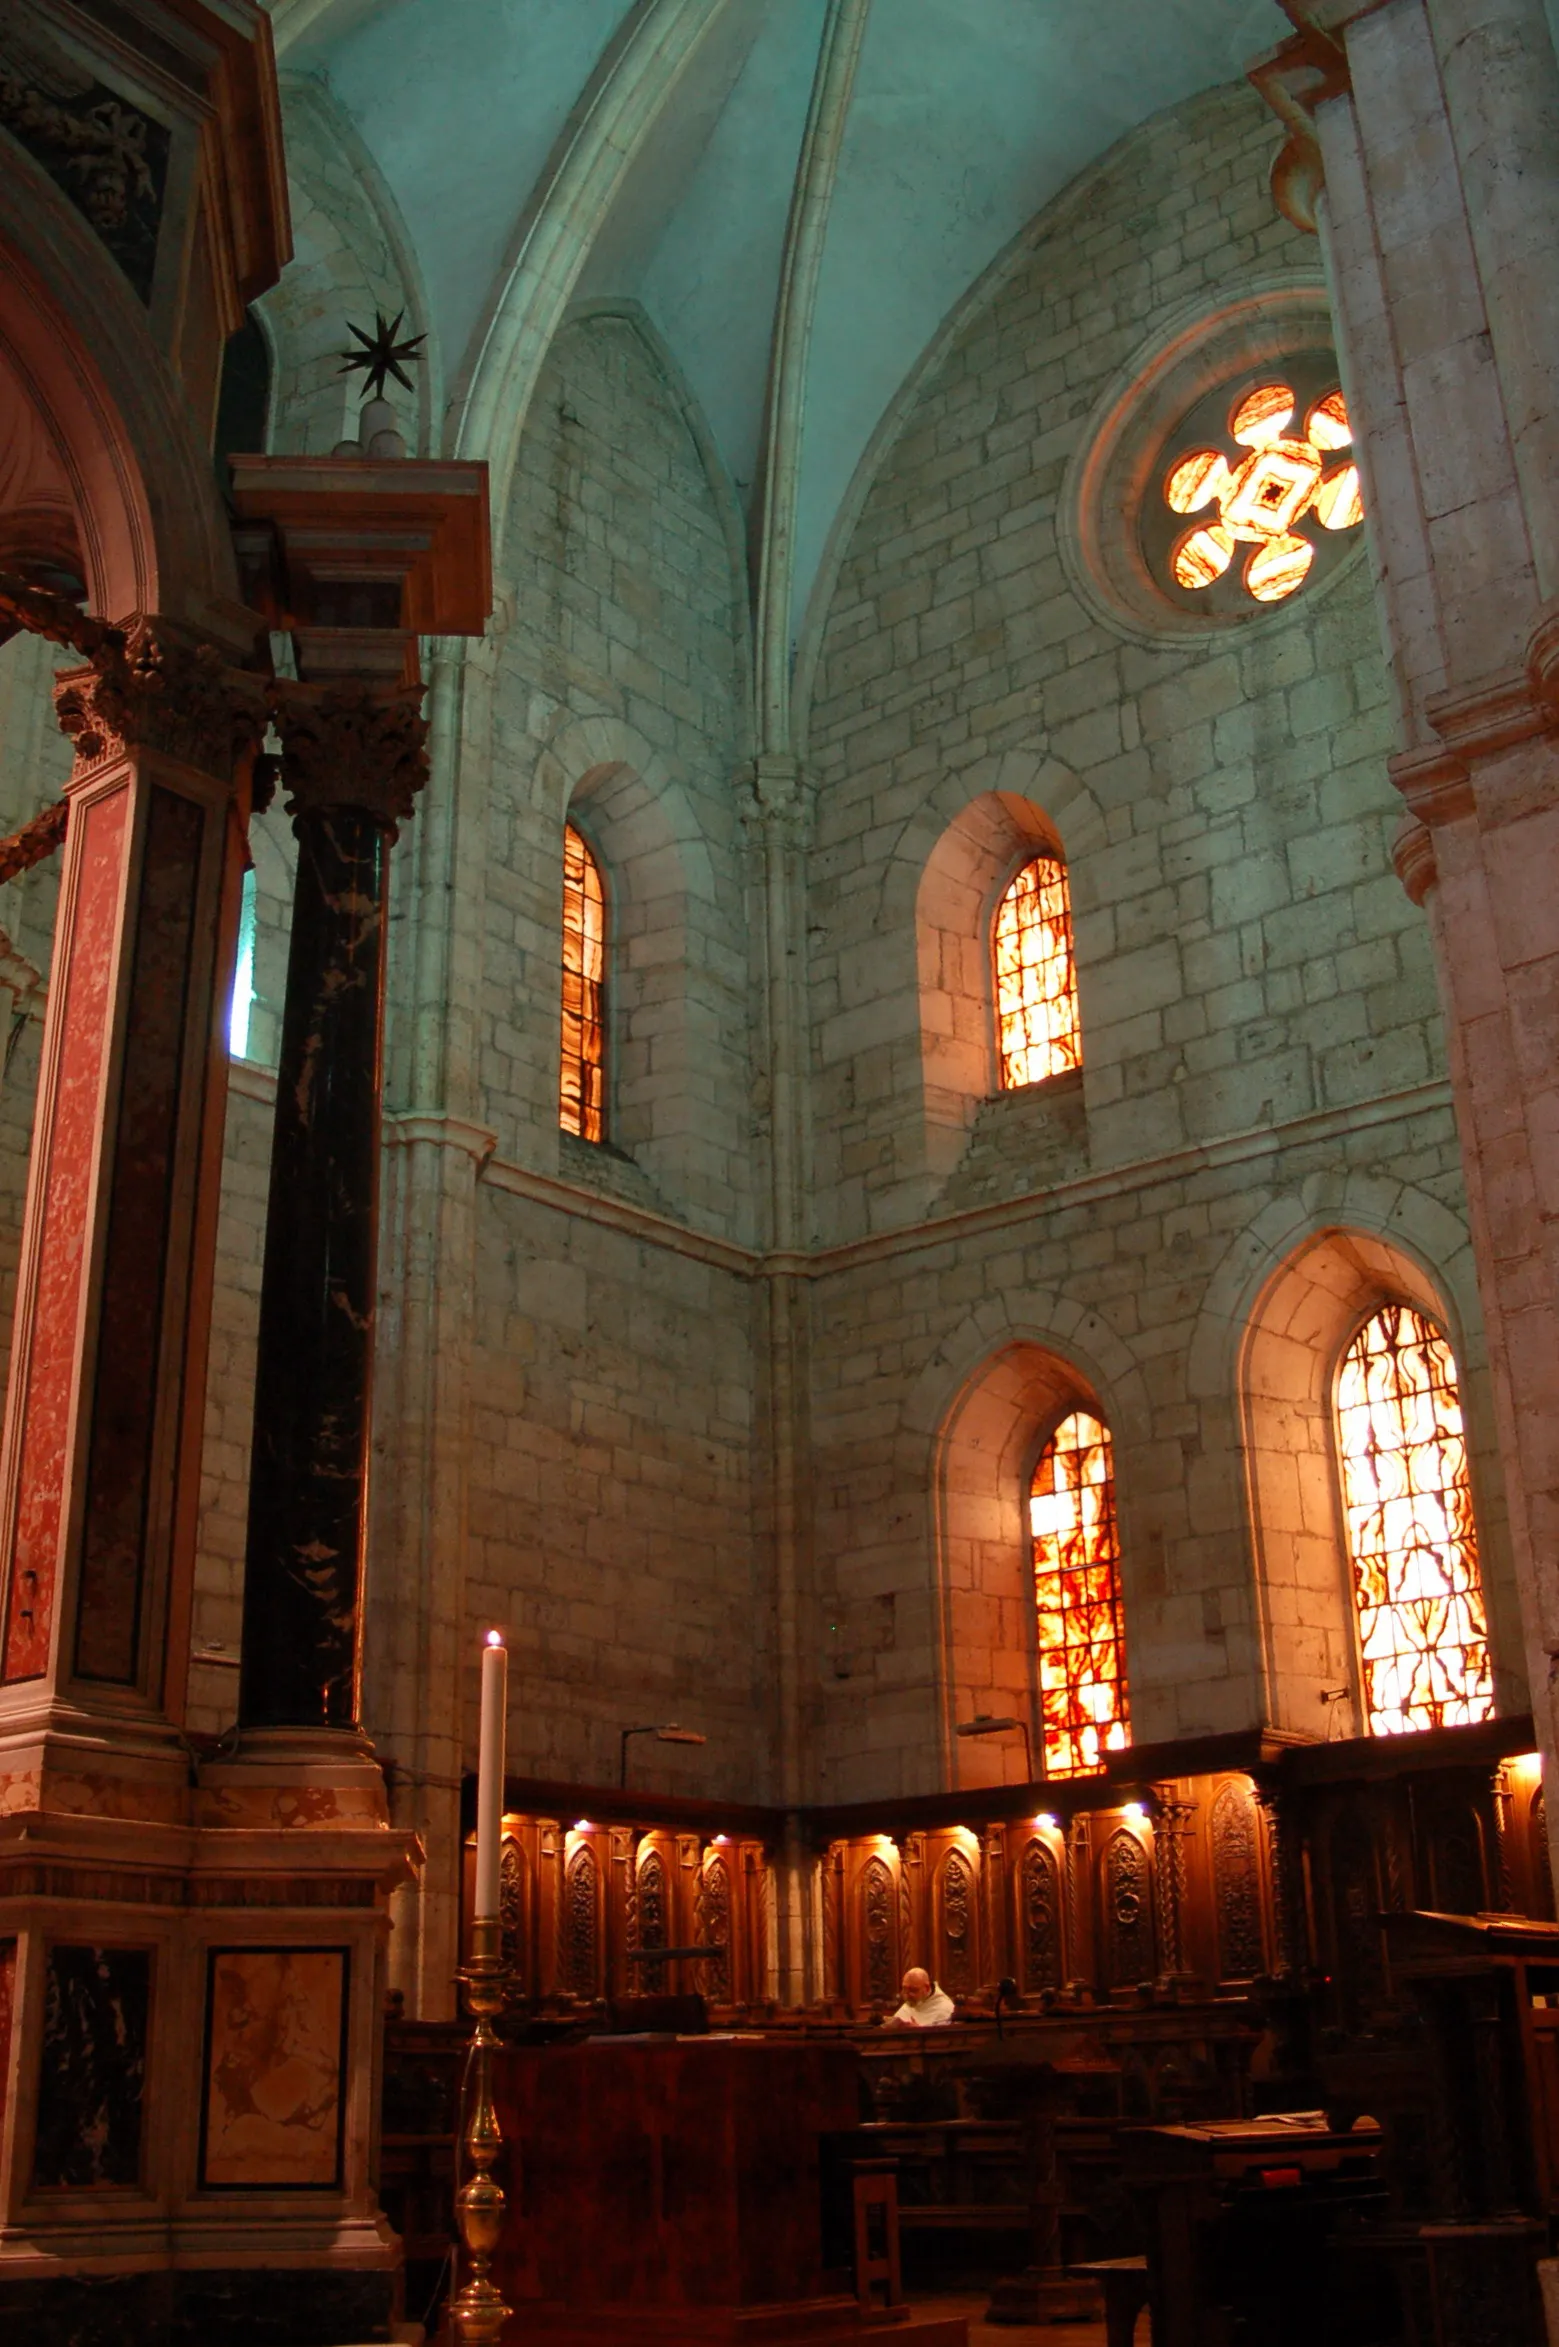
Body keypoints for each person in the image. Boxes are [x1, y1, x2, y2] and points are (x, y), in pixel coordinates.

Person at [889, 1967, 955, 2027]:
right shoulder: (910, 2003)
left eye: (913, 1990)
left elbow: (942, 2038)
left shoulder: (945, 2008)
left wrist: (918, 2031)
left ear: (927, 1988)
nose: (907, 1994)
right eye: (904, 1989)